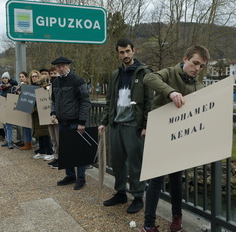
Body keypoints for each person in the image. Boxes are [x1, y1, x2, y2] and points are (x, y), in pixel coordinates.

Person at [140, 45, 210, 232]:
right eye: (195, 63)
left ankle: (176, 220)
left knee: (177, 180)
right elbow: (149, 78)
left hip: (180, 138)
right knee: (156, 179)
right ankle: (148, 224)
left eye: (201, 66)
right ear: (185, 58)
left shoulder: (199, 86)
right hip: (160, 133)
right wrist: (170, 92)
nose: (197, 68)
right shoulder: (170, 73)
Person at [98, 38, 153, 214]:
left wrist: (145, 125)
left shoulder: (143, 72)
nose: (125, 55)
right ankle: (120, 192)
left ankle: (138, 197)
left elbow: (149, 101)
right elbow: (109, 101)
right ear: (118, 53)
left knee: (135, 162)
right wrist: (104, 122)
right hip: (116, 124)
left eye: (128, 51)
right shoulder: (115, 74)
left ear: (133, 51)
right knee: (118, 161)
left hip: (133, 125)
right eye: (121, 52)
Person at [50, 56, 91, 190]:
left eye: (63, 66)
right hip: (62, 121)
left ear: (68, 66)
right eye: (58, 66)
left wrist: (82, 122)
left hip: (75, 121)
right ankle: (70, 175)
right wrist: (53, 112)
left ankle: (81, 178)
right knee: (66, 150)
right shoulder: (55, 82)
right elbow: (54, 100)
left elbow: (85, 102)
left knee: (78, 150)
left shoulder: (77, 80)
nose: (61, 69)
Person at [29, 70, 54, 159]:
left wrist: (34, 109)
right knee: (39, 133)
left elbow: (44, 101)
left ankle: (50, 152)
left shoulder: (43, 87)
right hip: (35, 114)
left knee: (45, 133)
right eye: (32, 76)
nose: (34, 77)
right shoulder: (31, 87)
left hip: (41, 113)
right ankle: (42, 151)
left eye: (36, 76)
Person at [0, 71, 18, 149]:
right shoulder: (2, 87)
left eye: (6, 78)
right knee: (5, 125)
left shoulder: (12, 87)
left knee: (9, 126)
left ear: (9, 78)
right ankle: (7, 140)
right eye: (3, 78)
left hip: (9, 108)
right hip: (3, 108)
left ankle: (10, 141)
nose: (5, 79)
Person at [46, 66, 60, 168]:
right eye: (51, 73)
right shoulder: (48, 86)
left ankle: (61, 158)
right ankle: (56, 157)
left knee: (59, 138)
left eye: (55, 73)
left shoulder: (59, 85)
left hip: (57, 115)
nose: (53, 75)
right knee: (53, 138)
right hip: (48, 115)